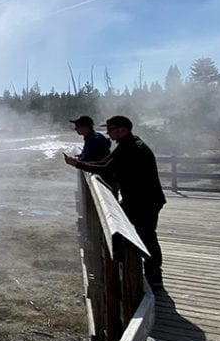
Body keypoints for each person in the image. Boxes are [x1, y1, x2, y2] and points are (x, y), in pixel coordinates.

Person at [64, 115, 166, 289]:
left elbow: (106, 168)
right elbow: (104, 162)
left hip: (145, 200)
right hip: (136, 198)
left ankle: (153, 276)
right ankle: (131, 269)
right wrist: (80, 163)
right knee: (128, 232)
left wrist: (78, 164)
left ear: (122, 130)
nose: (108, 133)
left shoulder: (132, 147)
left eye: (111, 129)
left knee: (146, 236)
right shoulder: (126, 144)